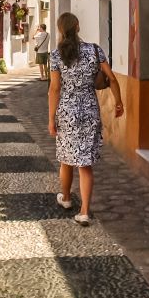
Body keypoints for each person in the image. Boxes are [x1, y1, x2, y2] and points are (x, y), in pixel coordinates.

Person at [47, 12, 124, 226]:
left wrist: (51, 119)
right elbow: (111, 78)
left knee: (66, 158)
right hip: (89, 110)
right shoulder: (95, 51)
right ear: (78, 26)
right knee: (85, 164)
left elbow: (54, 89)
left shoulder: (55, 55)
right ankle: (84, 211)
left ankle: (67, 198)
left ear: (61, 30)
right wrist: (118, 102)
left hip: (67, 112)